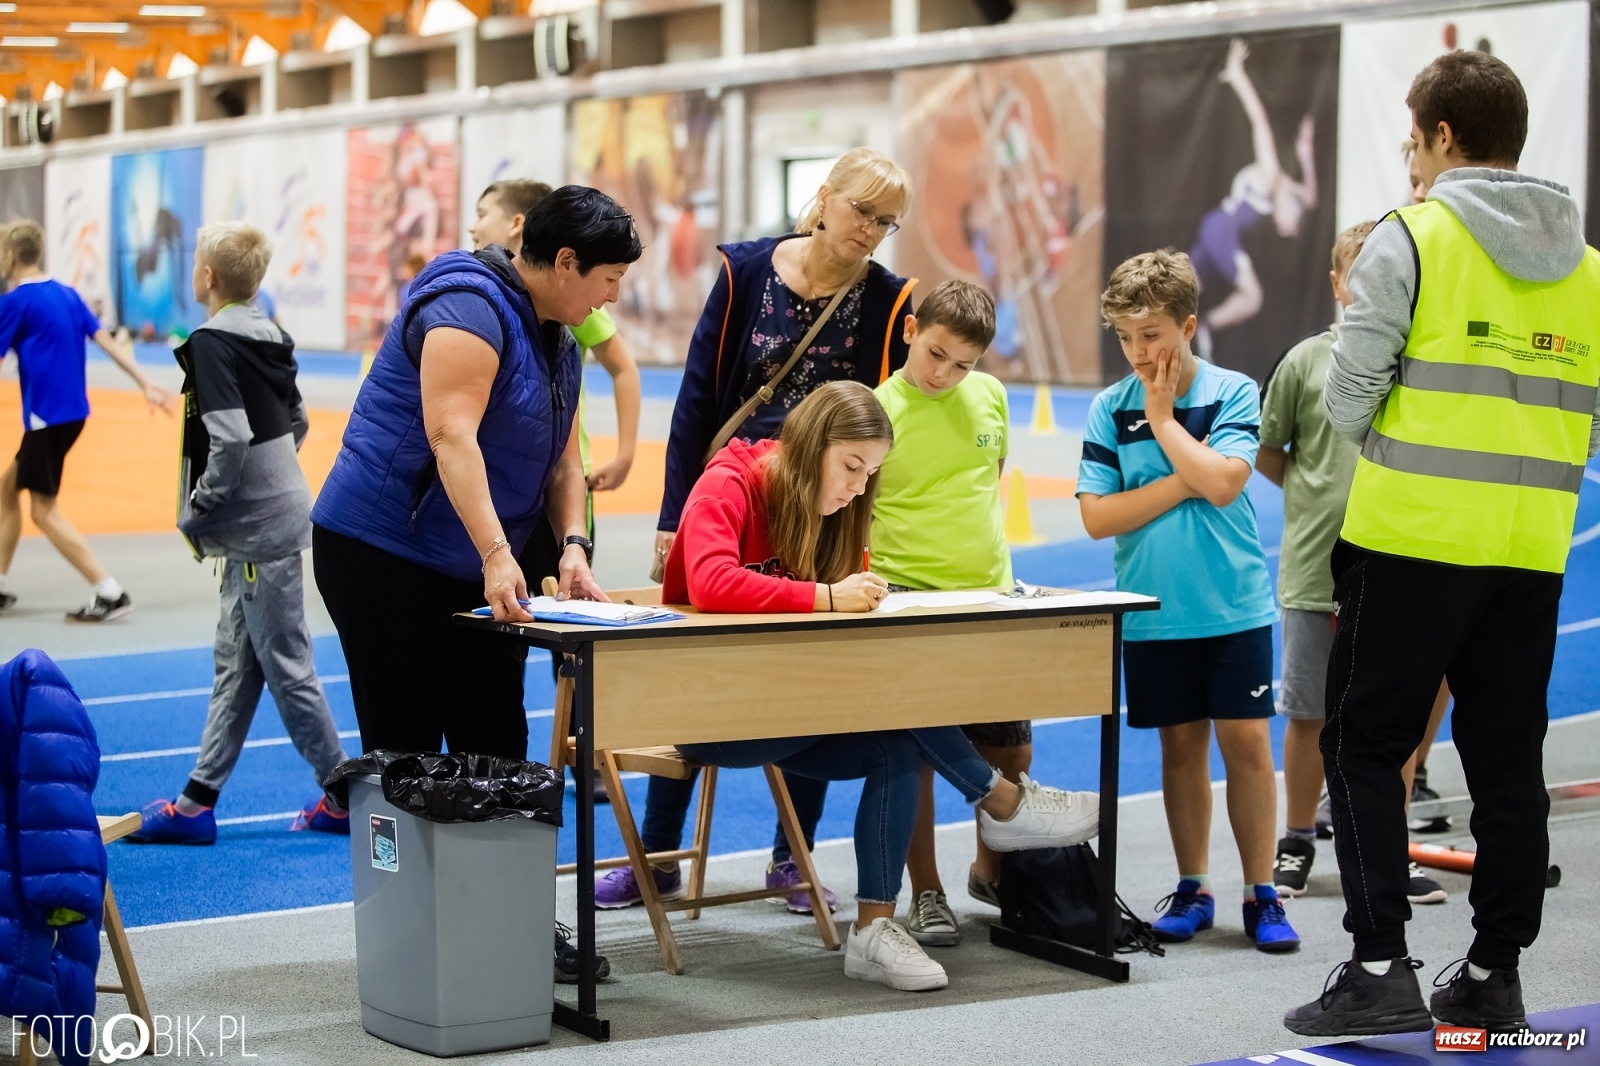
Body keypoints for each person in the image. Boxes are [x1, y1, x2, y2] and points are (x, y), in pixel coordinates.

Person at [1285, 52, 1600, 1037]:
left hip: (1411, 539)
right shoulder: (1587, 268)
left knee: (1365, 746)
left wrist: (1398, 444)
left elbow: (1344, 395)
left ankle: (1380, 964)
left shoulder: (1411, 239)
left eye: (1411, 141)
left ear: (1443, 139)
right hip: (1530, 548)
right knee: (1507, 763)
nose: (1408, 160)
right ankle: (1493, 972)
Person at [664, 379, 1099, 991]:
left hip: (793, 705)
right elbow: (709, 581)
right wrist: (825, 598)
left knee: (895, 742)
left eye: (870, 473)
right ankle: (1001, 802)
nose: (857, 486)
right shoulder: (729, 483)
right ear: (810, 443)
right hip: (713, 715)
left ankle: (871, 931)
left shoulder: (833, 512)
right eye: (850, 466)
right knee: (898, 711)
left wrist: (862, 600)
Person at [605, 148, 919, 914]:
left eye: (888, 222)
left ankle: (792, 858)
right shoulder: (745, 273)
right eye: (863, 211)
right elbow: (697, 401)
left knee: (811, 673)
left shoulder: (889, 296)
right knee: (695, 651)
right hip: (735, 489)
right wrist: (673, 517)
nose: (873, 231)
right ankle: (656, 856)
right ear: (823, 197)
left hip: (820, 506)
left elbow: (879, 417)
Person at [1077, 249, 1300, 954]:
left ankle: (1262, 893)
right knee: (1180, 746)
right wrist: (1185, 478)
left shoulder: (1234, 392)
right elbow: (1097, 517)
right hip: (1152, 611)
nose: (1140, 352)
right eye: (1126, 338)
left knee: (1248, 744)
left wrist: (1165, 421)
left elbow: (1230, 483)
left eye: (1153, 336)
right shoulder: (1107, 411)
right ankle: (1194, 884)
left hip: (1233, 607)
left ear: (1189, 326)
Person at [127, 221, 348, 845]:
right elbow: (297, 421)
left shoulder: (209, 342)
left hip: (256, 535)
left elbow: (228, 438)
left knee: (285, 663)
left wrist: (205, 503)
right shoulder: (272, 332)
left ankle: (342, 791)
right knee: (239, 664)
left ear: (206, 277)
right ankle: (197, 802)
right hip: (267, 526)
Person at [1257, 223, 1448, 907]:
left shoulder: (1426, 362)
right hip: (1315, 572)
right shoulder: (1305, 362)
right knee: (1308, 713)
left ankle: (1387, 845)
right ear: (1339, 285)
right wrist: (1317, 501)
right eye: (1355, 275)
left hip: (1398, 569)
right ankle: (1298, 840)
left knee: (1391, 717)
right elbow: (1271, 449)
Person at [864, 280, 1029, 946]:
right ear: (910, 330)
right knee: (918, 754)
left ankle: (993, 870)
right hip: (909, 595)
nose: (945, 374)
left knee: (1010, 745)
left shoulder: (990, 395)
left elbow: (989, 481)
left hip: (991, 595)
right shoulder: (876, 408)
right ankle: (926, 892)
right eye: (936, 354)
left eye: (963, 364)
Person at [0, 219, 174, 622]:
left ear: (10, 255)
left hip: (47, 418)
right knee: (7, 487)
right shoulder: (66, 294)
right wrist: (145, 380)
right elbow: (107, 342)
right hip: (72, 413)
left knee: (44, 511)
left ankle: (108, 591)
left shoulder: (15, 302)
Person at [1189, 38, 1317, 361]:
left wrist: (1306, 154)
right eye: (1286, 223)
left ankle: (1181, 335)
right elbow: (1259, 122)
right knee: (1253, 296)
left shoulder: (1287, 188)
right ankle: (1203, 327)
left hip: (1215, 234)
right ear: (1291, 209)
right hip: (1221, 230)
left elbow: (1311, 197)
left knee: (1181, 289)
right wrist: (1237, 75)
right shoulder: (1272, 176)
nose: (1281, 227)